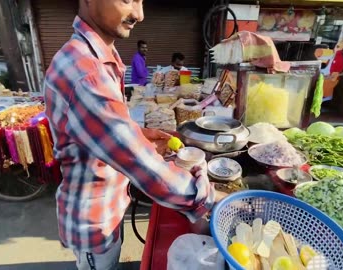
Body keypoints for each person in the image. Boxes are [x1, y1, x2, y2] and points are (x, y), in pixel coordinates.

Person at [43, 1, 226, 269]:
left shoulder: (101, 54)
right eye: (128, 0)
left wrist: (137, 134)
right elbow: (143, 166)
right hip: (95, 219)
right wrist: (211, 198)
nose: (139, 14)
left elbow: (98, 132)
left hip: (109, 205)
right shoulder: (85, 72)